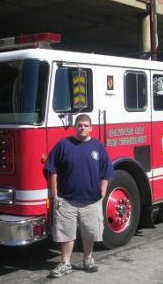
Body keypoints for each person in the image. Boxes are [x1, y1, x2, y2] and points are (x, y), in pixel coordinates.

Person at [46, 114, 114, 278]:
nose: (82, 127)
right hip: (66, 199)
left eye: (85, 125)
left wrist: (103, 193)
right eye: (79, 125)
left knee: (89, 232)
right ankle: (65, 263)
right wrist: (55, 195)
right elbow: (52, 169)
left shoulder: (98, 147)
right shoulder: (63, 145)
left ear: (91, 128)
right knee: (66, 233)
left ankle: (88, 259)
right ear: (75, 127)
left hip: (91, 200)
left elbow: (107, 172)